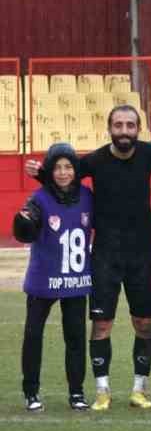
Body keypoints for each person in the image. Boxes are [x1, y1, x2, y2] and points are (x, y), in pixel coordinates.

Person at [25, 104, 151, 411]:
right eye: (118, 125)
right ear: (109, 128)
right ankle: (102, 391)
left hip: (142, 257)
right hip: (104, 257)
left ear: (140, 129)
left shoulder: (150, 153)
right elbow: (64, 180)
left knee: (144, 324)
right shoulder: (95, 160)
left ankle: (140, 390)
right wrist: (40, 174)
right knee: (101, 326)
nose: (124, 131)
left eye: (130, 125)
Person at [15, 143, 93, 412]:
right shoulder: (39, 198)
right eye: (57, 167)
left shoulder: (87, 196)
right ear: (50, 170)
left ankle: (76, 392)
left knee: (75, 338)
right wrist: (24, 223)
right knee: (33, 335)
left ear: (76, 170)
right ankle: (31, 391)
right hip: (43, 279)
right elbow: (26, 226)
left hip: (76, 280)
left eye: (68, 167)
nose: (62, 173)